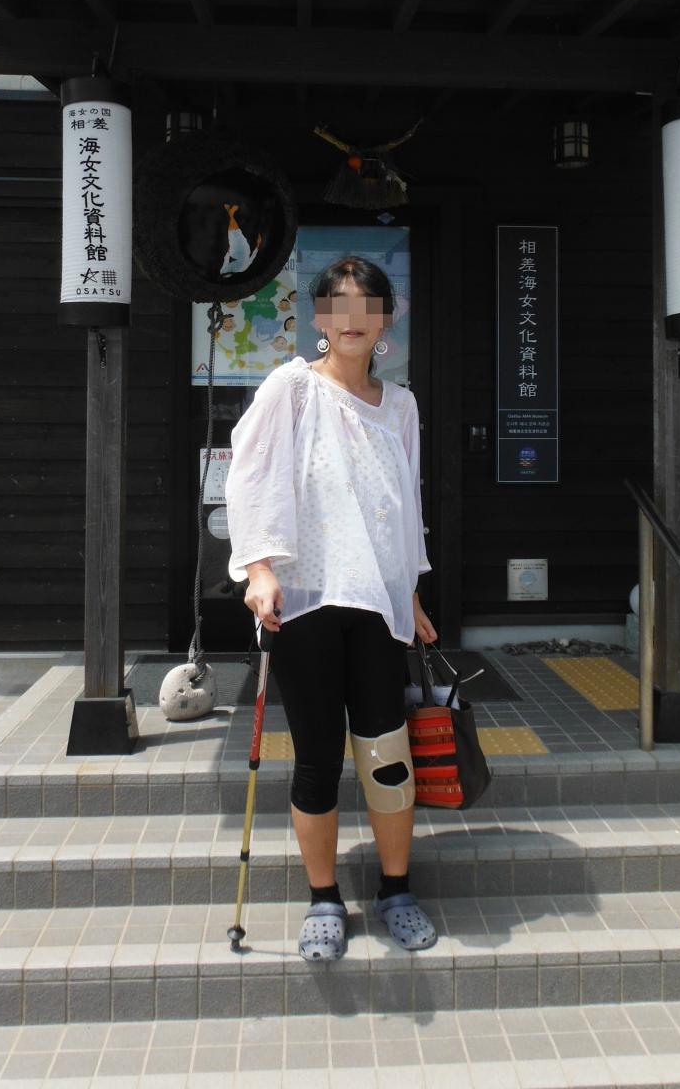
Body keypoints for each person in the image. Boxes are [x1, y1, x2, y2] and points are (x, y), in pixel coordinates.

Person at [224, 254, 439, 962]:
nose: (353, 319)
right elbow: (250, 476)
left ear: (385, 320)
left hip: (377, 601)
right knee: (317, 755)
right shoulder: (291, 387)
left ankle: (396, 889)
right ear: (320, 317)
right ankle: (324, 899)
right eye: (338, 304)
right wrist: (259, 567)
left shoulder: (401, 405)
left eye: (366, 305)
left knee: (386, 751)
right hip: (305, 598)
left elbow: (403, 501)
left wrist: (410, 587)